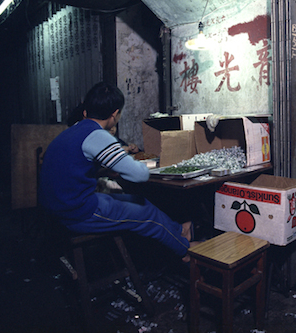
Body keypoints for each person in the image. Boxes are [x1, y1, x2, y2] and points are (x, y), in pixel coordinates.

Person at [39, 82, 193, 261]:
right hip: (78, 212)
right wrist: (147, 165)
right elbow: (140, 175)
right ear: (114, 115)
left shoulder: (74, 130)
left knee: (138, 200)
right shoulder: (98, 135)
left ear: (86, 111)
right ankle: (185, 251)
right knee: (147, 214)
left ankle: (178, 230)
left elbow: (76, 168)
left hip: (57, 207)